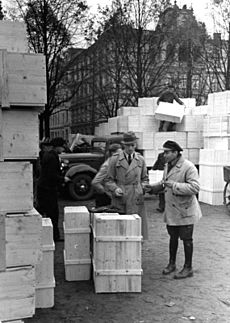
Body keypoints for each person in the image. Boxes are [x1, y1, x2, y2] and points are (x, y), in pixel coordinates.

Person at [156, 140, 202, 279]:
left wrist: (174, 185)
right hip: (172, 209)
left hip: (185, 210)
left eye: (167, 152)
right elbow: (165, 183)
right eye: (164, 152)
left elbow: (195, 188)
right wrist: (153, 188)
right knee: (173, 237)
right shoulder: (167, 165)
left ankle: (188, 268)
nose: (164, 155)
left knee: (187, 239)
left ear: (176, 153)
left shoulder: (188, 167)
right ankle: (172, 264)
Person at [105, 131, 150, 240]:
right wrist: (115, 189)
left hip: (136, 197)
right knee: (121, 229)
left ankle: (135, 251)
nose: (130, 148)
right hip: (121, 197)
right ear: (123, 145)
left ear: (135, 145)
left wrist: (142, 189)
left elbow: (145, 179)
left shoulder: (141, 160)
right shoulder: (115, 159)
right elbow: (108, 180)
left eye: (132, 145)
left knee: (136, 228)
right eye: (127, 145)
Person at [36, 137, 71, 242]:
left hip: (44, 188)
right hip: (48, 189)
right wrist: (63, 179)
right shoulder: (52, 157)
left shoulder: (49, 155)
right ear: (57, 147)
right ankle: (54, 237)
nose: (63, 149)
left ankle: (51, 235)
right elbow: (51, 175)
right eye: (62, 146)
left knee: (46, 211)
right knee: (52, 213)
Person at [91, 143, 123, 208]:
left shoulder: (116, 163)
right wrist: (106, 193)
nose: (121, 155)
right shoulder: (107, 165)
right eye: (119, 153)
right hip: (105, 200)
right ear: (113, 153)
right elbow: (95, 182)